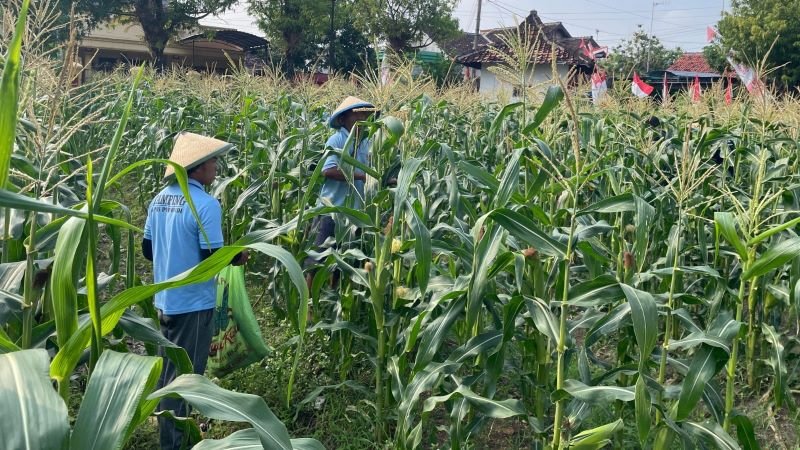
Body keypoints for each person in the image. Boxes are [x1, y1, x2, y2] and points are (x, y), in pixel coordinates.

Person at [142, 131, 248, 450]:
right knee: (186, 381)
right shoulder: (205, 203)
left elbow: (148, 250)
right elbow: (210, 259)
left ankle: (170, 435)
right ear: (198, 167)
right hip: (192, 304)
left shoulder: (159, 199)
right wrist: (238, 255)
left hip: (164, 300)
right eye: (212, 161)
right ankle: (175, 444)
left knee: (169, 373)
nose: (216, 166)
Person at [304, 96, 379, 292]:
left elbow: (375, 171)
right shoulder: (337, 139)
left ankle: (332, 297)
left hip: (354, 214)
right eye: (357, 117)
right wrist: (361, 176)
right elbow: (327, 170)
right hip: (331, 209)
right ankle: (308, 304)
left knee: (343, 259)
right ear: (343, 119)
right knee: (317, 258)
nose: (362, 121)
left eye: (365, 116)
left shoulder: (365, 143)